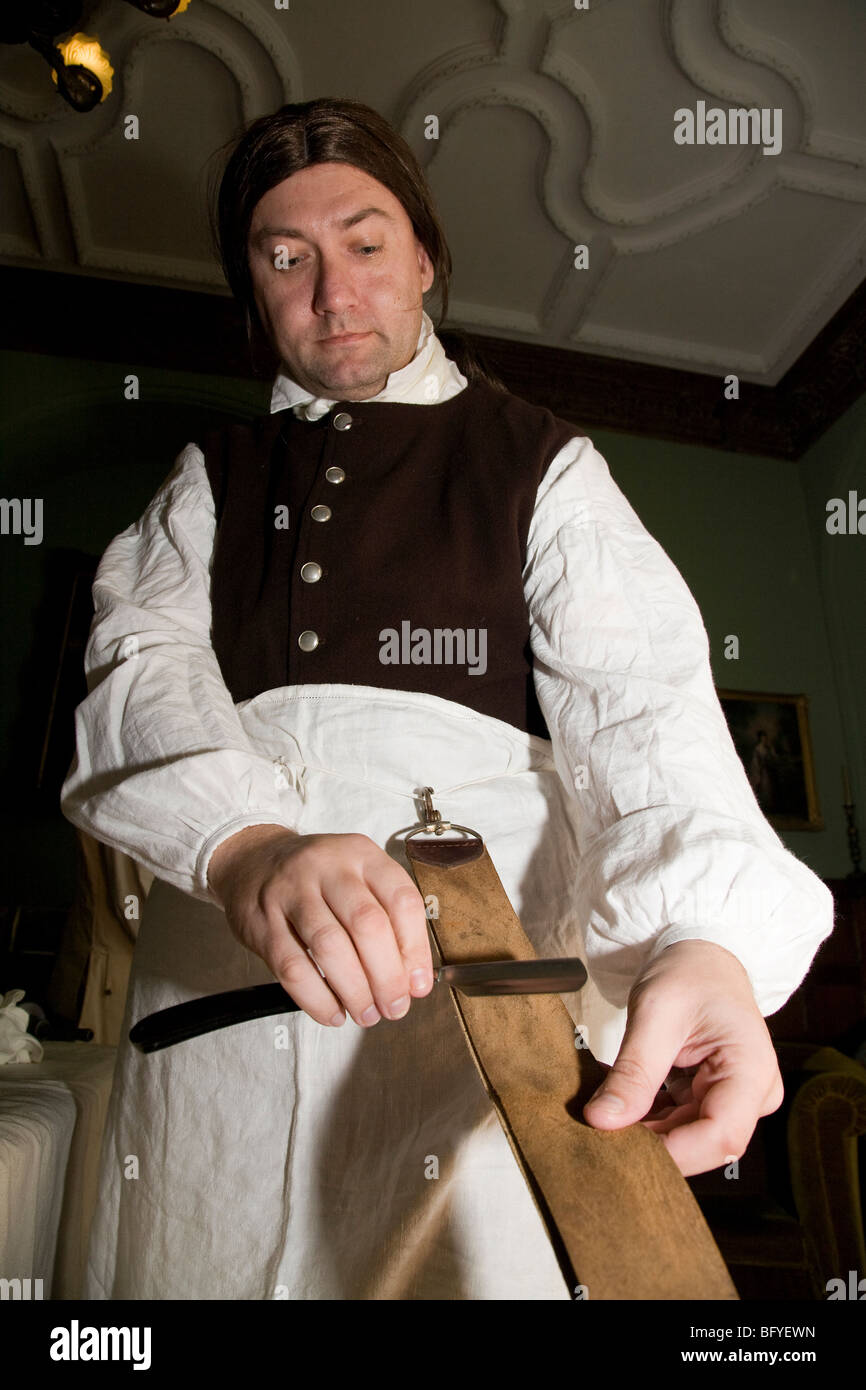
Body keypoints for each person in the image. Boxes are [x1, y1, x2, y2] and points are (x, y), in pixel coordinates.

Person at [60, 97, 833, 1300]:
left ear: (423, 257)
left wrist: (706, 944)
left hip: (476, 1016)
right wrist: (248, 845)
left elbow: (645, 708)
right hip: (215, 999)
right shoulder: (205, 483)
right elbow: (138, 671)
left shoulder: (542, 460)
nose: (332, 290)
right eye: (285, 257)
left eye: (365, 244)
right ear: (253, 294)